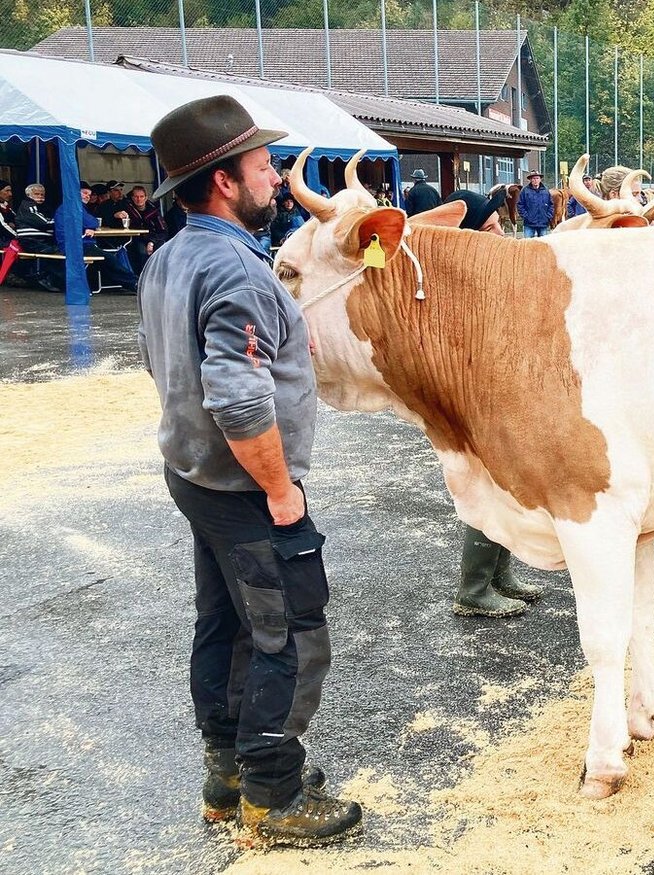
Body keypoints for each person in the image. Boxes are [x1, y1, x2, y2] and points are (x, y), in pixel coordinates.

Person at [138, 94, 363, 846]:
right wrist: (280, 490)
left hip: (193, 474)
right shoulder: (236, 272)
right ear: (226, 181)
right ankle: (273, 794)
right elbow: (238, 399)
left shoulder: (170, 255)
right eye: (264, 166)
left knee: (227, 622)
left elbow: (165, 366)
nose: (274, 178)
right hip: (243, 488)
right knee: (289, 631)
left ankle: (228, 771)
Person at [436, 187, 546, 617]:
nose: (501, 235)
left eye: (500, 224)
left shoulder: (483, 273)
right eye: (488, 228)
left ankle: (499, 575)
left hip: (499, 393)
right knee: (488, 485)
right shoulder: (456, 287)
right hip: (481, 400)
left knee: (506, 486)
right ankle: (473, 588)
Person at [62, 183, 139, 293]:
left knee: (108, 259)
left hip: (82, 243)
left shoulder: (77, 206)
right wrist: (89, 226)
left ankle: (133, 283)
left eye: (89, 194)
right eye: (84, 193)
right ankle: (135, 283)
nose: (88, 196)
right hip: (77, 245)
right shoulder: (74, 207)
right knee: (109, 259)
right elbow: (93, 221)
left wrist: (89, 226)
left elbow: (92, 221)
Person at [13, 183, 63, 292]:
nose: (40, 197)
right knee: (56, 253)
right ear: (28, 195)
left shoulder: (43, 207)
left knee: (58, 252)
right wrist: (61, 222)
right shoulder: (28, 206)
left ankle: (50, 278)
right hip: (31, 240)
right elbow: (43, 223)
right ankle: (47, 278)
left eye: (42, 194)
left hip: (40, 240)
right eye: (37, 194)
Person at [125, 185, 168, 275]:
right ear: (132, 198)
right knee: (141, 251)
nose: (139, 199)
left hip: (155, 238)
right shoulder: (127, 209)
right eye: (136, 197)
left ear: (146, 198)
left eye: (141, 196)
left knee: (161, 250)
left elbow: (163, 230)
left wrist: (151, 242)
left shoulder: (153, 210)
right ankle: (142, 277)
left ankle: (159, 276)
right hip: (135, 238)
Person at [517, 170, 553, 238]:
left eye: (537, 178)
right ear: (530, 180)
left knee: (543, 244)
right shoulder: (525, 191)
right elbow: (520, 205)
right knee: (527, 244)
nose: (535, 180)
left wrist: (548, 216)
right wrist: (526, 216)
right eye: (533, 178)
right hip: (529, 224)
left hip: (543, 223)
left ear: (540, 179)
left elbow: (551, 204)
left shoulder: (546, 191)